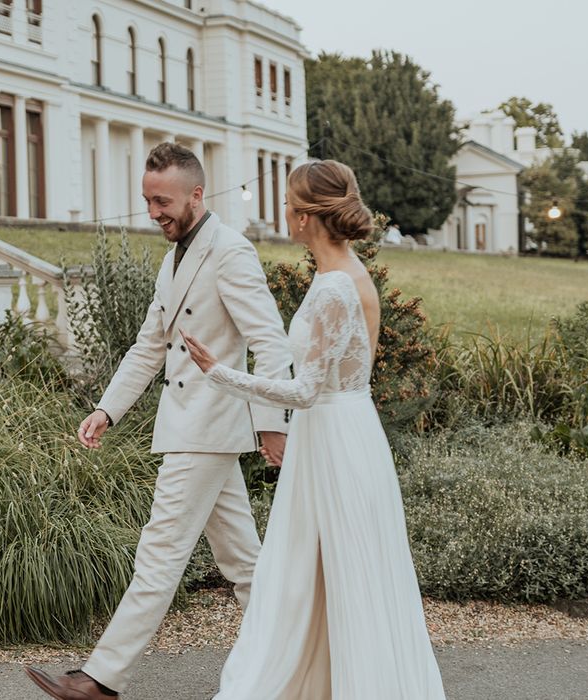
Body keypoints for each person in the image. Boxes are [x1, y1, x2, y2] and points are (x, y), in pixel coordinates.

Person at [25, 142, 293, 700]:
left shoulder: (230, 252)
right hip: (197, 429)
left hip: (207, 426)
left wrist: (274, 423)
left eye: (163, 201)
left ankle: (101, 678)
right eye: (147, 201)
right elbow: (149, 347)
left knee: (159, 553)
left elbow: (270, 341)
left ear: (197, 194)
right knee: (247, 566)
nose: (153, 213)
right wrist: (106, 409)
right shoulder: (175, 258)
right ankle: (295, 662)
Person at [181, 159, 447, 699]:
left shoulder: (333, 289)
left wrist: (221, 375)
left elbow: (306, 391)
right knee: (330, 570)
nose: (281, 211)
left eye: (286, 203)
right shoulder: (347, 274)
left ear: (304, 217)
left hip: (333, 435)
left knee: (332, 569)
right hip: (345, 429)